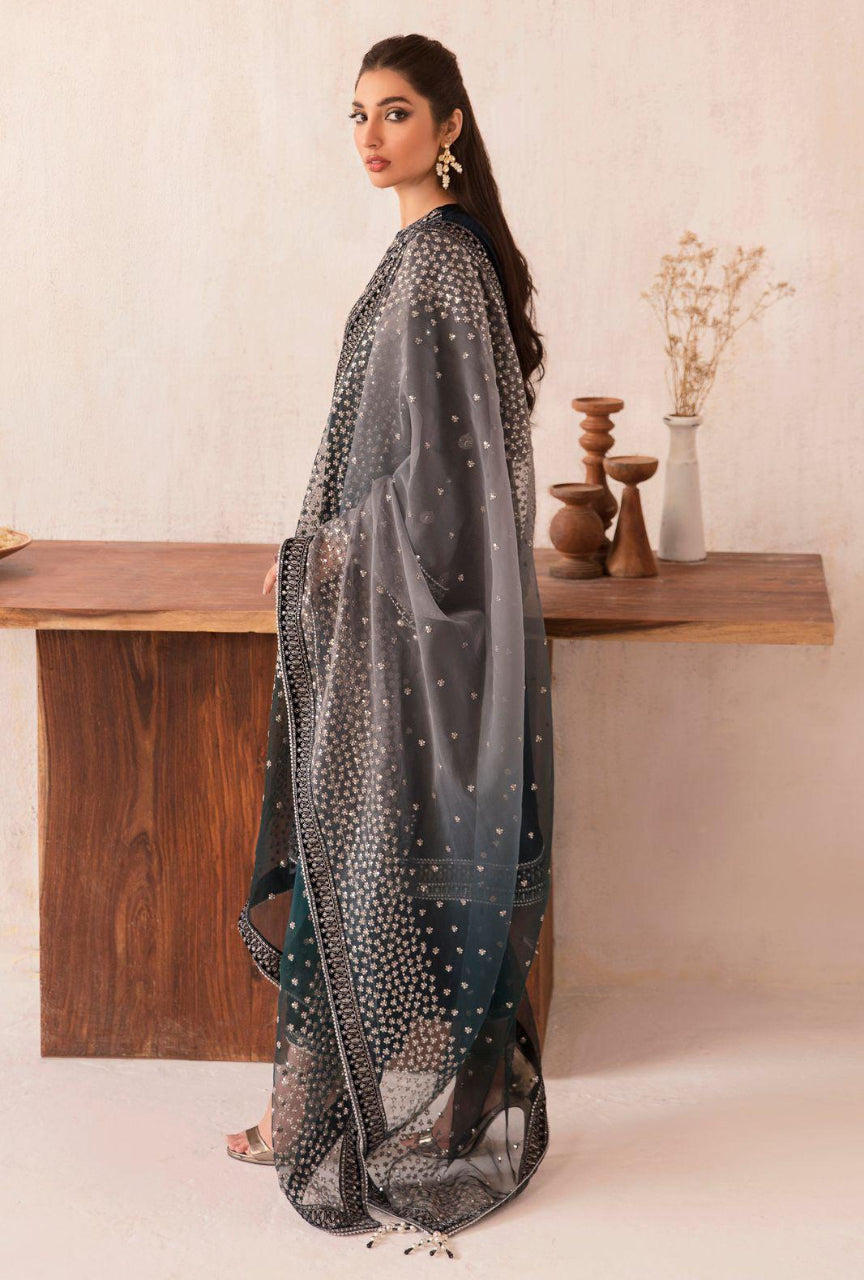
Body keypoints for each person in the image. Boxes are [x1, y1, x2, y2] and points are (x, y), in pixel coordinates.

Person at [226, 32, 554, 1259]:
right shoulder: (434, 257)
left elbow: (437, 485)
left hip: (417, 633)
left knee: (370, 861)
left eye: (398, 113)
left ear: (450, 126)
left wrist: (326, 555)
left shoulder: (438, 266)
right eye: (357, 114)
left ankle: (315, 1114)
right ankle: (368, 1106)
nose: (371, 135)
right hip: (412, 633)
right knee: (392, 864)